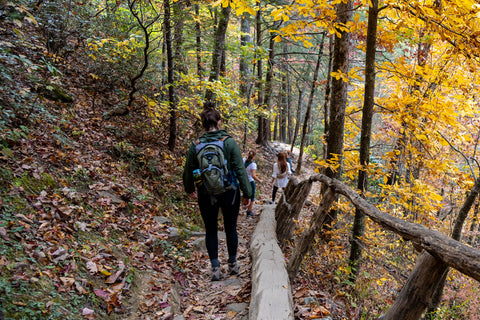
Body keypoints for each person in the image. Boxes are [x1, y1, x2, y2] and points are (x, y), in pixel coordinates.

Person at [183, 103, 252, 281]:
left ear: (203, 124)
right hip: (229, 192)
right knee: (230, 228)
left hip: (206, 193)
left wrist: (190, 188)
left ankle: (215, 268)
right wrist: (248, 193)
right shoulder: (228, 142)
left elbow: (189, 169)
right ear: (219, 122)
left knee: (211, 229)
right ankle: (233, 264)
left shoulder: (195, 145)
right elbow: (240, 169)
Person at [243, 150, 263, 217]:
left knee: (245, 194)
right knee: (252, 196)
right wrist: (259, 180)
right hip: (250, 182)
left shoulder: (243, 160)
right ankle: (249, 211)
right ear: (254, 156)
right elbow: (253, 175)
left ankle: (245, 206)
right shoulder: (253, 165)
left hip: (244, 181)